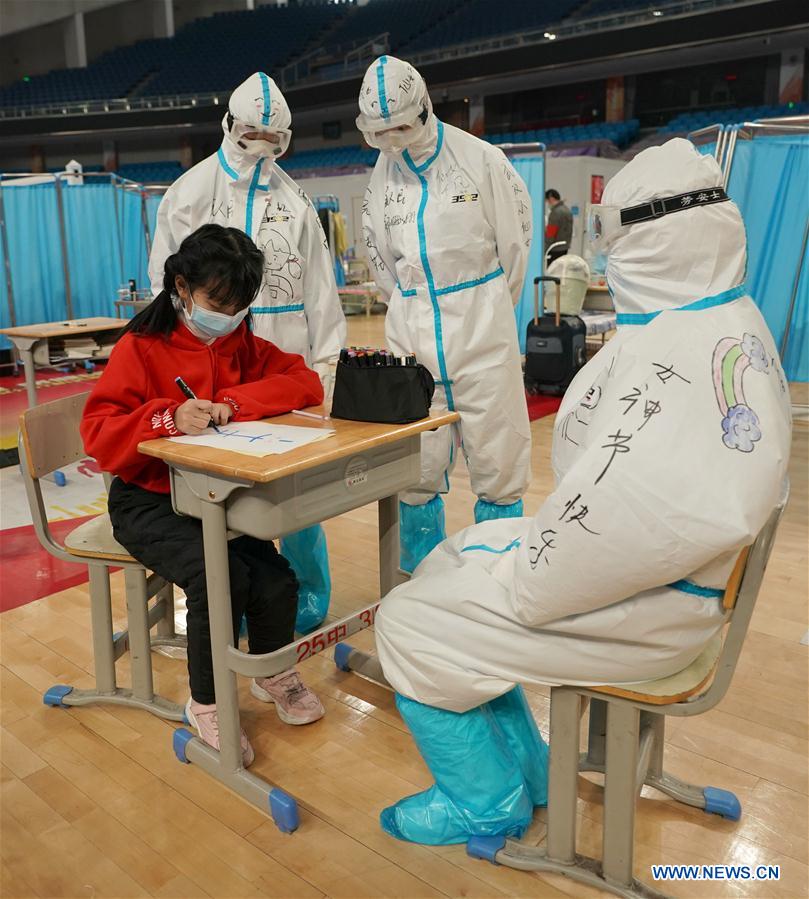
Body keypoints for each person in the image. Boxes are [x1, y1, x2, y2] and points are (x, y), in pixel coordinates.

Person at [372, 138, 792, 845]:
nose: (603, 261)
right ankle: (531, 767)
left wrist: (516, 568)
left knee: (404, 621)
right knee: (452, 557)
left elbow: (579, 550)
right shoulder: (716, 320)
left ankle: (486, 799)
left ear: (652, 241)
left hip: (653, 606)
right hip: (662, 578)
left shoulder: (678, 353)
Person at [82, 224, 327, 766]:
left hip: (213, 497)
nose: (228, 317)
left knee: (275, 576)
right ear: (181, 287)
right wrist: (166, 417)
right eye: (218, 302)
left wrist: (234, 402)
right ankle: (208, 702)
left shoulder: (236, 341)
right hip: (146, 499)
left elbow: (304, 383)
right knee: (221, 579)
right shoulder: (141, 347)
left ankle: (270, 670)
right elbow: (99, 432)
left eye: (239, 307)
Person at [148, 72, 346, 633]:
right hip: (210, 362)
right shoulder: (187, 193)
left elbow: (322, 288)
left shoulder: (296, 199)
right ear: (229, 126)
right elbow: (166, 282)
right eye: (252, 134)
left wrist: (326, 362)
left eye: (274, 139)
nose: (261, 147)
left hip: (283, 364)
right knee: (223, 490)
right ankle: (226, 594)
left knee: (297, 488)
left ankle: (303, 594)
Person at [358, 55, 532, 573]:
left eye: (401, 128)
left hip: (483, 338)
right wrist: (411, 309)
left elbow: (515, 251)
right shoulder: (381, 178)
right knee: (416, 471)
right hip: (412, 344)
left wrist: (488, 314)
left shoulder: (481, 160)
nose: (392, 140)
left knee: (499, 466)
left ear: (425, 109)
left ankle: (493, 579)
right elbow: (381, 260)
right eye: (380, 132)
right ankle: (423, 580)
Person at [545, 188, 572, 262]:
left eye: (547, 201)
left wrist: (543, 250)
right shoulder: (567, 210)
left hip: (554, 249)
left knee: (552, 272)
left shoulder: (555, 213)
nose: (547, 203)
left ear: (551, 198)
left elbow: (550, 233)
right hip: (564, 248)